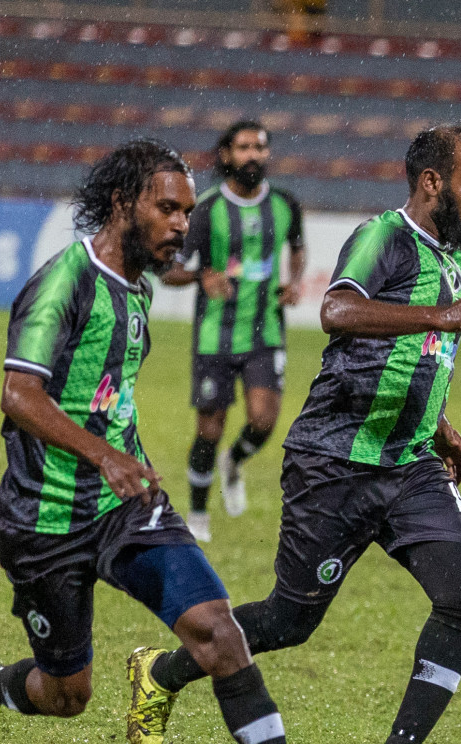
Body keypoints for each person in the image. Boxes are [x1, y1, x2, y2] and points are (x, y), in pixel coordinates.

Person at [0, 138, 364, 744]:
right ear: (121, 204)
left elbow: (107, 394)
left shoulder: (135, 288)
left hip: (128, 507)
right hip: (43, 519)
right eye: (167, 208)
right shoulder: (64, 282)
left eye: (187, 211)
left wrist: (124, 457)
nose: (181, 224)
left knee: (217, 631)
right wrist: (103, 452)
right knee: (67, 693)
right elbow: (20, 394)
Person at [124, 123, 461, 744]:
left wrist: (439, 424)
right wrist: (443, 315)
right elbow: (337, 310)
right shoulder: (382, 238)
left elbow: (422, 352)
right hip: (334, 462)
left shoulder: (450, 254)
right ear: (432, 183)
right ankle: (161, 670)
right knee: (287, 620)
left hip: (408, 463)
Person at [162, 120, 306, 542]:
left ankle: (234, 462)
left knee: (264, 420)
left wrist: (294, 281)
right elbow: (167, 269)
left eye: (259, 147)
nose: (253, 155)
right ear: (227, 155)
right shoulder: (204, 209)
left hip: (265, 332)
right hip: (215, 334)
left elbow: (297, 246)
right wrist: (199, 277)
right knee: (209, 429)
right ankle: (198, 513)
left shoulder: (284, 204)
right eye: (244, 147)